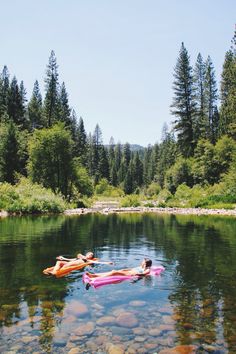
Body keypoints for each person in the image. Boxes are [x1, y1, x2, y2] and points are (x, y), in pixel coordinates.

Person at [45, 251, 113, 275]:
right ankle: (53, 272)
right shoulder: (80, 257)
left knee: (59, 263)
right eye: (89, 254)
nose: (90, 255)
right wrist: (63, 258)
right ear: (86, 254)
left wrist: (107, 263)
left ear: (91, 257)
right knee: (59, 261)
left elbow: (96, 262)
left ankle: (53, 273)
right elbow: (71, 260)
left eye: (91, 255)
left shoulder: (88, 261)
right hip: (67, 263)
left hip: (69, 266)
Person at [85, 258, 152, 278]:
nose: (142, 262)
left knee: (114, 272)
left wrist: (135, 275)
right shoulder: (140, 266)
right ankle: (93, 275)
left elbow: (144, 274)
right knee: (113, 271)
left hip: (130, 274)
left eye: (143, 261)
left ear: (145, 263)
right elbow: (131, 269)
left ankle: (96, 278)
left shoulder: (147, 269)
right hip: (128, 272)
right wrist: (123, 270)